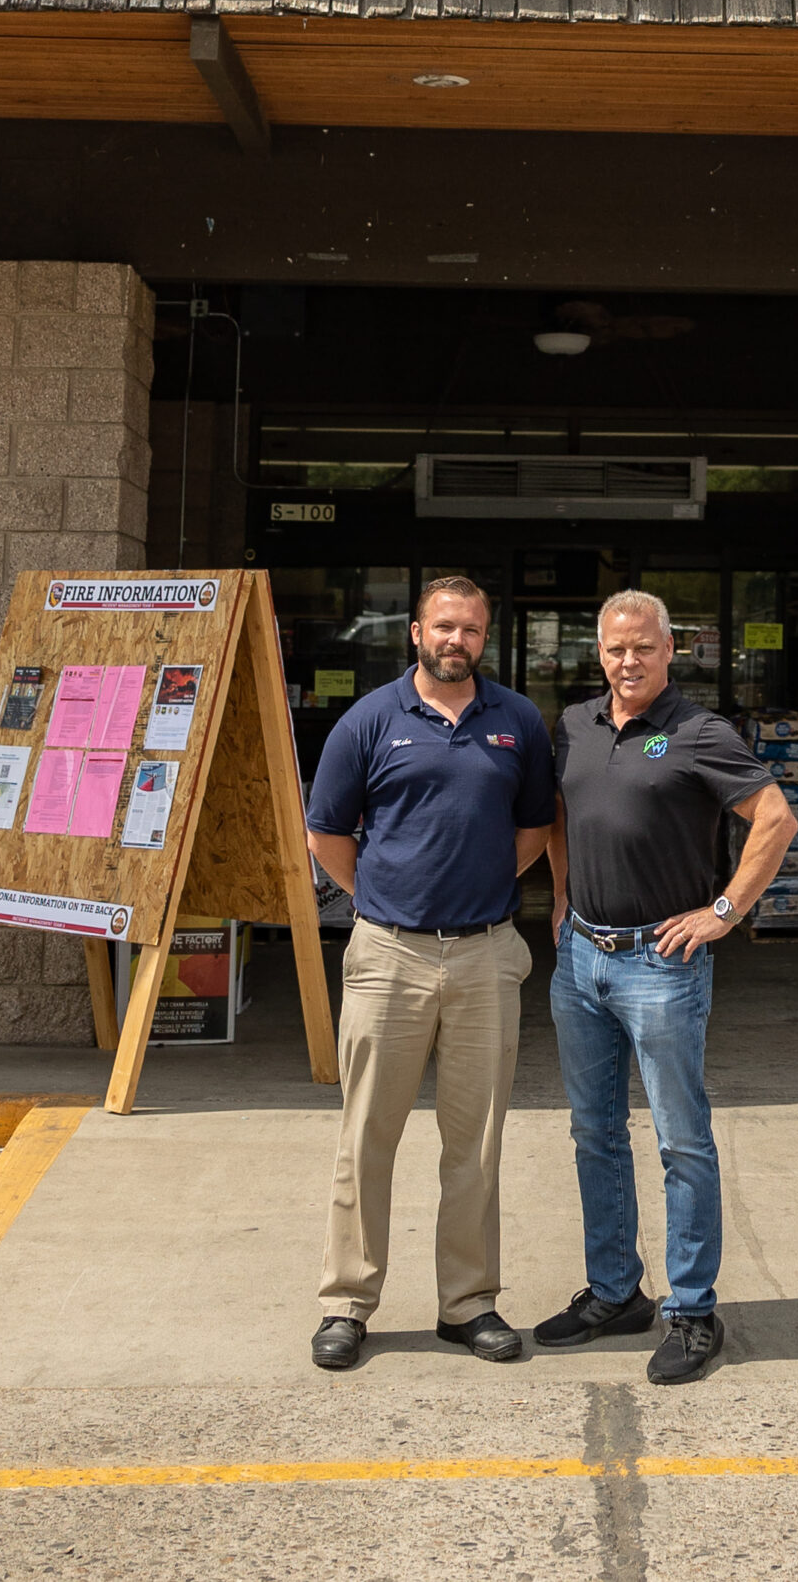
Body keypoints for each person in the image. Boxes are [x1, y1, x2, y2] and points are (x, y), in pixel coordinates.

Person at [537, 588, 797, 1384]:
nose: (627, 661)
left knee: (681, 1141)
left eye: (642, 647)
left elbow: (776, 817)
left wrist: (723, 910)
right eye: (615, 648)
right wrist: (558, 897)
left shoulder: (699, 732)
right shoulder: (576, 725)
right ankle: (617, 1292)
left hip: (661, 961)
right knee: (595, 1134)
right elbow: (558, 813)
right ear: (599, 651)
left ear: (669, 648)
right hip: (582, 958)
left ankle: (691, 1309)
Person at [305, 576, 555, 1372]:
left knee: (475, 1142)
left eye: (472, 629)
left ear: (487, 637)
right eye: (445, 626)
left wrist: (475, 896)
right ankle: (347, 1302)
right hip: (388, 956)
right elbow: (327, 833)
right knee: (365, 1136)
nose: (458, 639)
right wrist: (383, 900)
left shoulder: (516, 721)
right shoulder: (370, 719)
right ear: (416, 631)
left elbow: (534, 829)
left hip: (483, 953)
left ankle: (468, 1302)